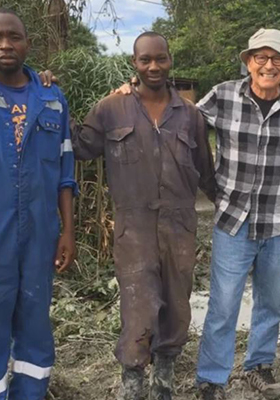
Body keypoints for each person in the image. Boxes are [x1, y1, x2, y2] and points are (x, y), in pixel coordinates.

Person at [69, 32, 215, 400]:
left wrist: (235, 210)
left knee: (178, 305)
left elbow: (207, 173)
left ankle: (164, 379)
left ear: (170, 61)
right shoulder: (110, 109)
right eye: (145, 60)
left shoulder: (191, 115)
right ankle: (133, 384)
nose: (153, 66)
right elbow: (81, 146)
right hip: (132, 230)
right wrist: (49, 96)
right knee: (137, 307)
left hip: (180, 228)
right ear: (134, 63)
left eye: (160, 59)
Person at [194, 28, 280, 400]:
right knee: (223, 305)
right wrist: (133, 90)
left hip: (278, 221)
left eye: (277, 59)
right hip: (232, 221)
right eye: (260, 57)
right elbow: (183, 122)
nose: (268, 65)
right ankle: (212, 377)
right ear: (248, 61)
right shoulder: (224, 95)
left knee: (271, 301)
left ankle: (258, 365)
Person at [0, 8, 76, 400]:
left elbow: (66, 173)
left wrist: (67, 231)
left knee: (35, 327)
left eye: (14, 37)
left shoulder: (52, 99)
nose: (5, 45)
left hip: (39, 235)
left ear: (27, 43)